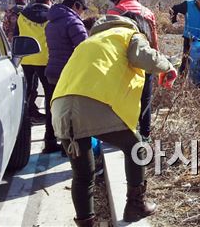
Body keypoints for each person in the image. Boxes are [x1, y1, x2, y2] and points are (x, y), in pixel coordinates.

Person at [51, 15, 177, 225]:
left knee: (83, 174)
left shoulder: (89, 42)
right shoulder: (128, 34)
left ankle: (85, 223)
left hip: (61, 108)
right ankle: (135, 207)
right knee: (136, 146)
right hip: (93, 103)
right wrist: (168, 67)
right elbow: (144, 56)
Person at [107, 0, 158, 141]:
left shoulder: (114, 12)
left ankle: (125, 134)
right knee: (145, 99)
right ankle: (145, 135)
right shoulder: (148, 13)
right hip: (145, 62)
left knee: (123, 98)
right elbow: (154, 43)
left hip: (123, 63)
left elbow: (110, 42)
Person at [15, 0, 60, 153]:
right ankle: (50, 141)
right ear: (48, 0)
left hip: (25, 59)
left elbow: (16, 37)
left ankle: (20, 138)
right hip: (46, 61)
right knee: (50, 101)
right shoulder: (52, 16)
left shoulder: (22, 15)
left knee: (23, 100)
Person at [45, 0, 88, 85]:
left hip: (52, 71)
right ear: (76, 5)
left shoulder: (51, 22)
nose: (82, 12)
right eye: (82, 8)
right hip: (68, 72)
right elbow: (85, 48)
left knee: (51, 99)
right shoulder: (74, 22)